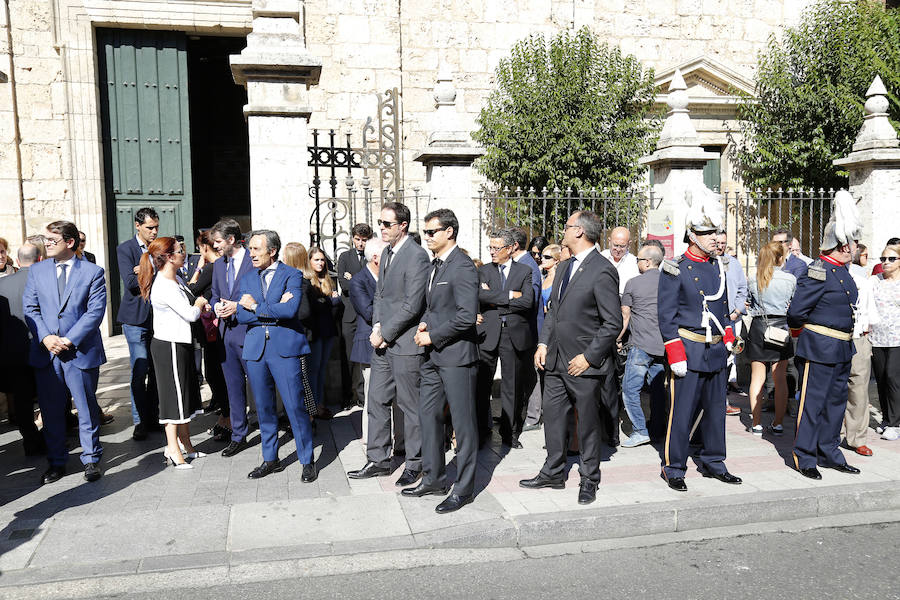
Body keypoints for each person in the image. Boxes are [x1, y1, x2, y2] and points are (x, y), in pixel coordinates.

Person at [520, 210, 622, 506]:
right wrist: (542, 343)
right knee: (553, 418)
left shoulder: (602, 269)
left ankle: (590, 478)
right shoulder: (564, 267)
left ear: (579, 231)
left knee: (587, 424)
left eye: (566, 227)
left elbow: (612, 323)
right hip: (555, 361)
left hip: (583, 365)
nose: (562, 231)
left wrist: (589, 358)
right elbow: (554, 312)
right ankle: (553, 472)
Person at [658, 188, 742, 492]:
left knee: (716, 409)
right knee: (681, 413)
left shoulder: (718, 265)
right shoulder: (674, 268)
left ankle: (714, 461)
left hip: (716, 348)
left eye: (715, 232)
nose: (713, 238)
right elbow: (665, 315)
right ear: (692, 235)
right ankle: (674, 467)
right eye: (707, 234)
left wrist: (729, 338)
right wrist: (675, 353)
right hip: (689, 349)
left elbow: (721, 304)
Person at [403, 208, 480, 514]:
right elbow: (434, 307)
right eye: (425, 232)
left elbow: (465, 317)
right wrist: (424, 323)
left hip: (457, 357)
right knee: (428, 416)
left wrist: (432, 336)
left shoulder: (462, 266)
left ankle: (463, 488)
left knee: (463, 426)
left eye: (432, 232)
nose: (427, 237)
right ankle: (433, 477)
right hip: (434, 357)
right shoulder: (437, 265)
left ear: (449, 232)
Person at [348, 202, 428, 486]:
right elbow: (380, 296)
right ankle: (378, 459)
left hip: (405, 344)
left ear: (402, 225)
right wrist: (377, 326)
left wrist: (386, 332)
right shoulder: (388, 252)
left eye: (386, 224)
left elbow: (412, 304)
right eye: (380, 223)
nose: (380, 228)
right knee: (376, 401)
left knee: (410, 406)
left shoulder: (417, 256)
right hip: (382, 341)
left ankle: (415, 463)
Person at [23, 220, 107, 484]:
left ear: (69, 242)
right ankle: (56, 461)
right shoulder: (37, 272)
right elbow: (30, 308)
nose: (46, 244)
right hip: (47, 354)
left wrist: (68, 340)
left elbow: (94, 313)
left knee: (85, 407)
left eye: (52, 240)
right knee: (51, 411)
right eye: (45, 240)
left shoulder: (92, 272)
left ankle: (91, 459)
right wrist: (47, 337)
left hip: (79, 352)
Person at [787, 190, 861, 479]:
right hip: (819, 347)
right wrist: (807, 336)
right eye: (852, 242)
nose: (856, 246)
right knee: (812, 404)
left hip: (842, 348)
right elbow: (796, 313)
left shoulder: (843, 271)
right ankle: (805, 456)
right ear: (842, 245)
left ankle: (829, 451)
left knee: (835, 405)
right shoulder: (818, 271)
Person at [236, 230, 317, 482]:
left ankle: (307, 459)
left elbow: (291, 309)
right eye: (250, 249)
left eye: (256, 249)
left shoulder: (292, 274)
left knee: (295, 406)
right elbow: (241, 316)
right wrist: (271, 309)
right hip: (256, 349)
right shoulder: (248, 278)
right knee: (263, 408)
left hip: (285, 349)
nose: (251, 254)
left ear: (272, 251)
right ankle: (270, 458)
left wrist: (256, 307)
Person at [139, 237, 207, 469]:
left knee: (185, 394)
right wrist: (199, 303)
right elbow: (190, 314)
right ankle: (173, 449)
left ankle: (186, 443)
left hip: (180, 342)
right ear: (168, 257)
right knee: (173, 399)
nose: (183, 255)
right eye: (179, 252)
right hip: (169, 345)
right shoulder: (165, 286)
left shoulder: (176, 279)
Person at [475, 228, 535, 448]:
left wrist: (493, 299)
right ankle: (482, 431)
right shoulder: (483, 271)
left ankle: (510, 433)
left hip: (513, 334)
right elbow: (479, 295)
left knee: (512, 386)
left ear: (510, 249)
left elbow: (528, 301)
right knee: (482, 386)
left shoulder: (525, 271)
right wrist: (511, 295)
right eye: (490, 247)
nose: (491, 251)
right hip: (487, 334)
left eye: (496, 247)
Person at [210, 218, 255, 458]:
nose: (215, 246)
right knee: (233, 388)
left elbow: (261, 296)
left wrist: (238, 306)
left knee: (260, 385)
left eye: (217, 242)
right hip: (226, 336)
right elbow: (214, 296)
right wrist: (216, 306)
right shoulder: (218, 266)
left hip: (250, 334)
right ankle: (238, 435)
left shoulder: (253, 260)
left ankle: (269, 429)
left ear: (230, 240)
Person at [116, 207, 160, 440]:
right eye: (149, 228)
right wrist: (150, 269)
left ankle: (153, 417)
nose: (154, 232)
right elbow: (131, 283)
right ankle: (139, 420)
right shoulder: (125, 249)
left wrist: (144, 269)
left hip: (159, 318)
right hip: (135, 319)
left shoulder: (159, 246)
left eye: (156, 227)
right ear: (137, 226)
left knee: (155, 371)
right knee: (139, 367)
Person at [618, 241, 667, 447]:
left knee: (630, 389)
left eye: (638, 259)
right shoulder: (669, 282)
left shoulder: (633, 283)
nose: (636, 262)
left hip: (641, 345)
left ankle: (640, 430)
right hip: (663, 346)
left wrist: (618, 338)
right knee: (658, 391)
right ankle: (658, 430)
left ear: (647, 262)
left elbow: (625, 316)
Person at [746, 241, 796, 435]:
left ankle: (756, 423)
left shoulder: (753, 278)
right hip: (781, 327)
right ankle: (778, 423)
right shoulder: (790, 279)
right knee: (780, 378)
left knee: (756, 378)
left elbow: (749, 303)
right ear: (780, 258)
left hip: (760, 327)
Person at [0, 243, 45, 454]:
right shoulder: (45, 283)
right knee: (49, 396)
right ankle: (52, 438)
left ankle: (30, 441)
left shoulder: (3, 285)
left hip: (13, 352)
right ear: (39, 260)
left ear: (17, 261)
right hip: (43, 348)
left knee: (22, 401)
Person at [349, 237, 396, 443]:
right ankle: (372, 439)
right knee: (373, 396)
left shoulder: (389, 276)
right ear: (377, 258)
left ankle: (394, 436)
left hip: (393, 342)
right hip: (369, 344)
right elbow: (369, 313)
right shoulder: (359, 280)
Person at [187, 230, 230, 439]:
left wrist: (197, 269)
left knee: (215, 374)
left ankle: (228, 418)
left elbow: (190, 291)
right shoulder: (221, 266)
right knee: (216, 374)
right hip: (214, 328)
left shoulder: (212, 268)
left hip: (213, 329)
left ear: (205, 247)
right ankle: (225, 417)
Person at [842, 243, 875, 455]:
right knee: (830, 389)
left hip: (858, 338)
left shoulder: (862, 279)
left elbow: (870, 312)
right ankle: (827, 434)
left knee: (859, 389)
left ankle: (857, 438)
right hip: (832, 337)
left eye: (850, 247)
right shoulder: (820, 273)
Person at [336, 223, 373, 410]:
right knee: (348, 357)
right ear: (352, 238)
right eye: (357, 239)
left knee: (365, 357)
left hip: (366, 315)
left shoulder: (373, 256)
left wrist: (355, 280)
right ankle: (347, 396)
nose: (360, 243)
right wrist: (359, 282)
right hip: (349, 315)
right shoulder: (345, 257)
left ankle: (362, 395)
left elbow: (374, 285)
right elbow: (344, 285)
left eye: (364, 240)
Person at [303, 246, 341, 418]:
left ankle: (319, 403)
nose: (320, 263)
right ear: (309, 261)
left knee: (321, 369)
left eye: (322, 259)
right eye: (316, 259)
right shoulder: (306, 280)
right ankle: (314, 407)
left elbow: (332, 306)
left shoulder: (327, 279)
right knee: (313, 370)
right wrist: (331, 301)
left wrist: (330, 302)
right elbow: (315, 307)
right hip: (314, 333)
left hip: (328, 331)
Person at [870, 241, 900, 441]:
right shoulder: (874, 280)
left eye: (891, 259)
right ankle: (886, 419)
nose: (886, 262)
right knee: (881, 379)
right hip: (877, 337)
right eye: (883, 259)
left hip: (898, 337)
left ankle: (896, 424)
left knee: (892, 377)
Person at [715, 231, 748, 411]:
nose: (720, 246)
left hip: (731, 319)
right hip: (712, 321)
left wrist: (736, 311)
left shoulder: (733, 264)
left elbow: (743, 289)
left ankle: (724, 400)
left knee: (728, 359)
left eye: (723, 243)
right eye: (717, 242)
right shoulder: (708, 262)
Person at [599, 226, 640, 295]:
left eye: (622, 246)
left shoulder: (634, 263)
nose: (618, 249)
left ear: (629, 244)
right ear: (609, 242)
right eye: (615, 245)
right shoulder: (600, 258)